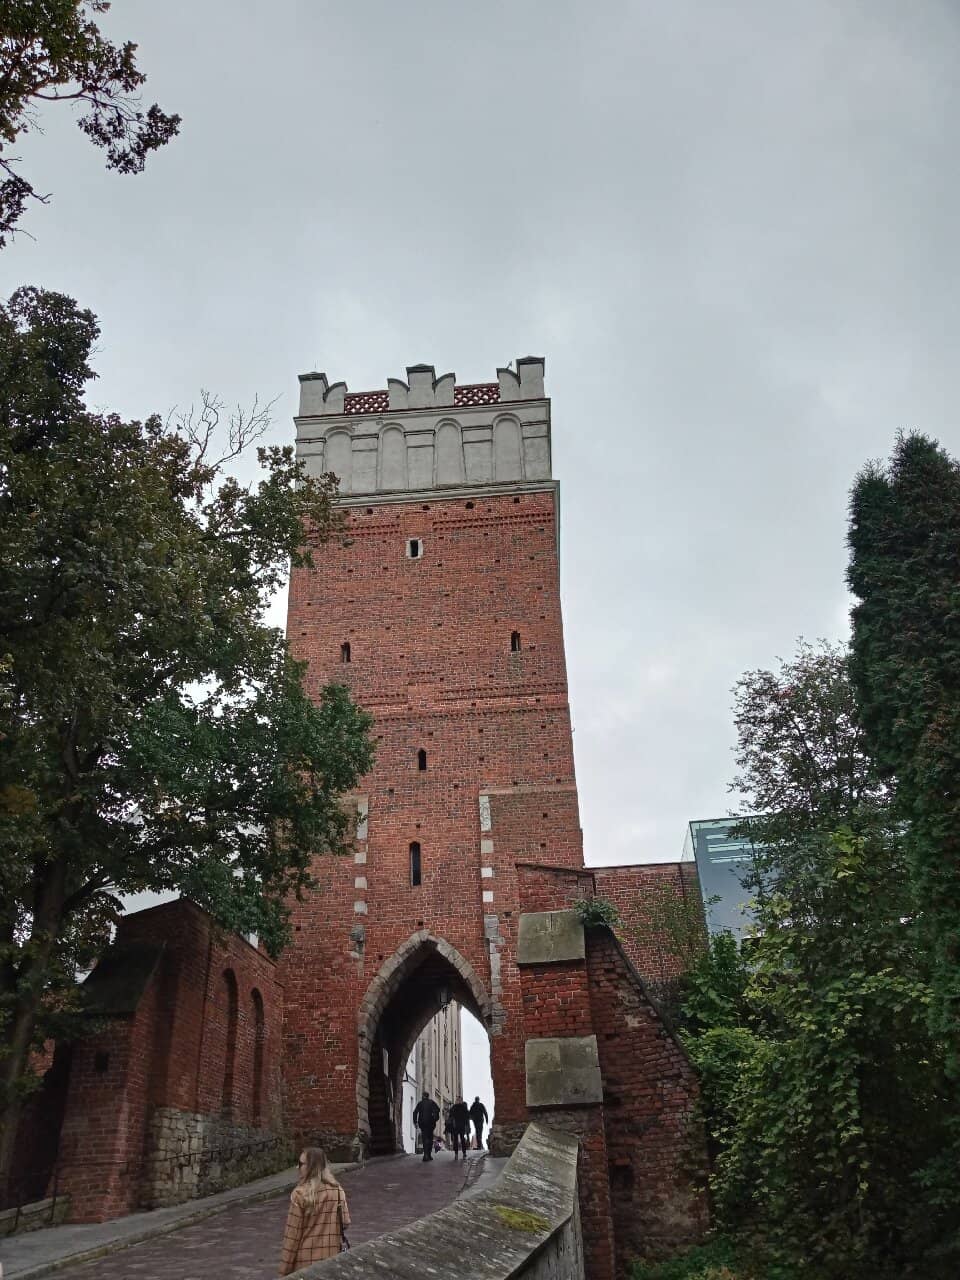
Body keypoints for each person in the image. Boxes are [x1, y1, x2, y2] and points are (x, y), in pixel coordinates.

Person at [279, 1147, 350, 1276]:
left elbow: (291, 1239)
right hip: (331, 1261)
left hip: (305, 1264)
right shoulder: (337, 1190)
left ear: (311, 1166)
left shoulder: (300, 1195)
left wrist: (283, 1272)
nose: (297, 1167)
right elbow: (345, 1222)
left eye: (301, 1164)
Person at [412, 1090, 440, 1162]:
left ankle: (425, 1155)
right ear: (428, 1096)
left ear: (423, 1096)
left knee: (424, 1138)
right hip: (431, 1123)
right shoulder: (432, 1102)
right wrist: (435, 1119)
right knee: (430, 1138)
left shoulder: (420, 1103)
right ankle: (429, 1155)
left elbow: (415, 1112)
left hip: (422, 1123)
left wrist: (415, 1122)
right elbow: (438, 1110)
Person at [448, 1095, 471, 1160]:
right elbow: (467, 1117)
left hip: (456, 1125)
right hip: (460, 1125)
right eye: (458, 1099)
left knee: (457, 1139)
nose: (457, 1101)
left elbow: (450, 1116)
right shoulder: (463, 1107)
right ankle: (462, 1153)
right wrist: (466, 1124)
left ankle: (457, 1154)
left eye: (458, 1099)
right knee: (461, 1139)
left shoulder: (454, 1107)